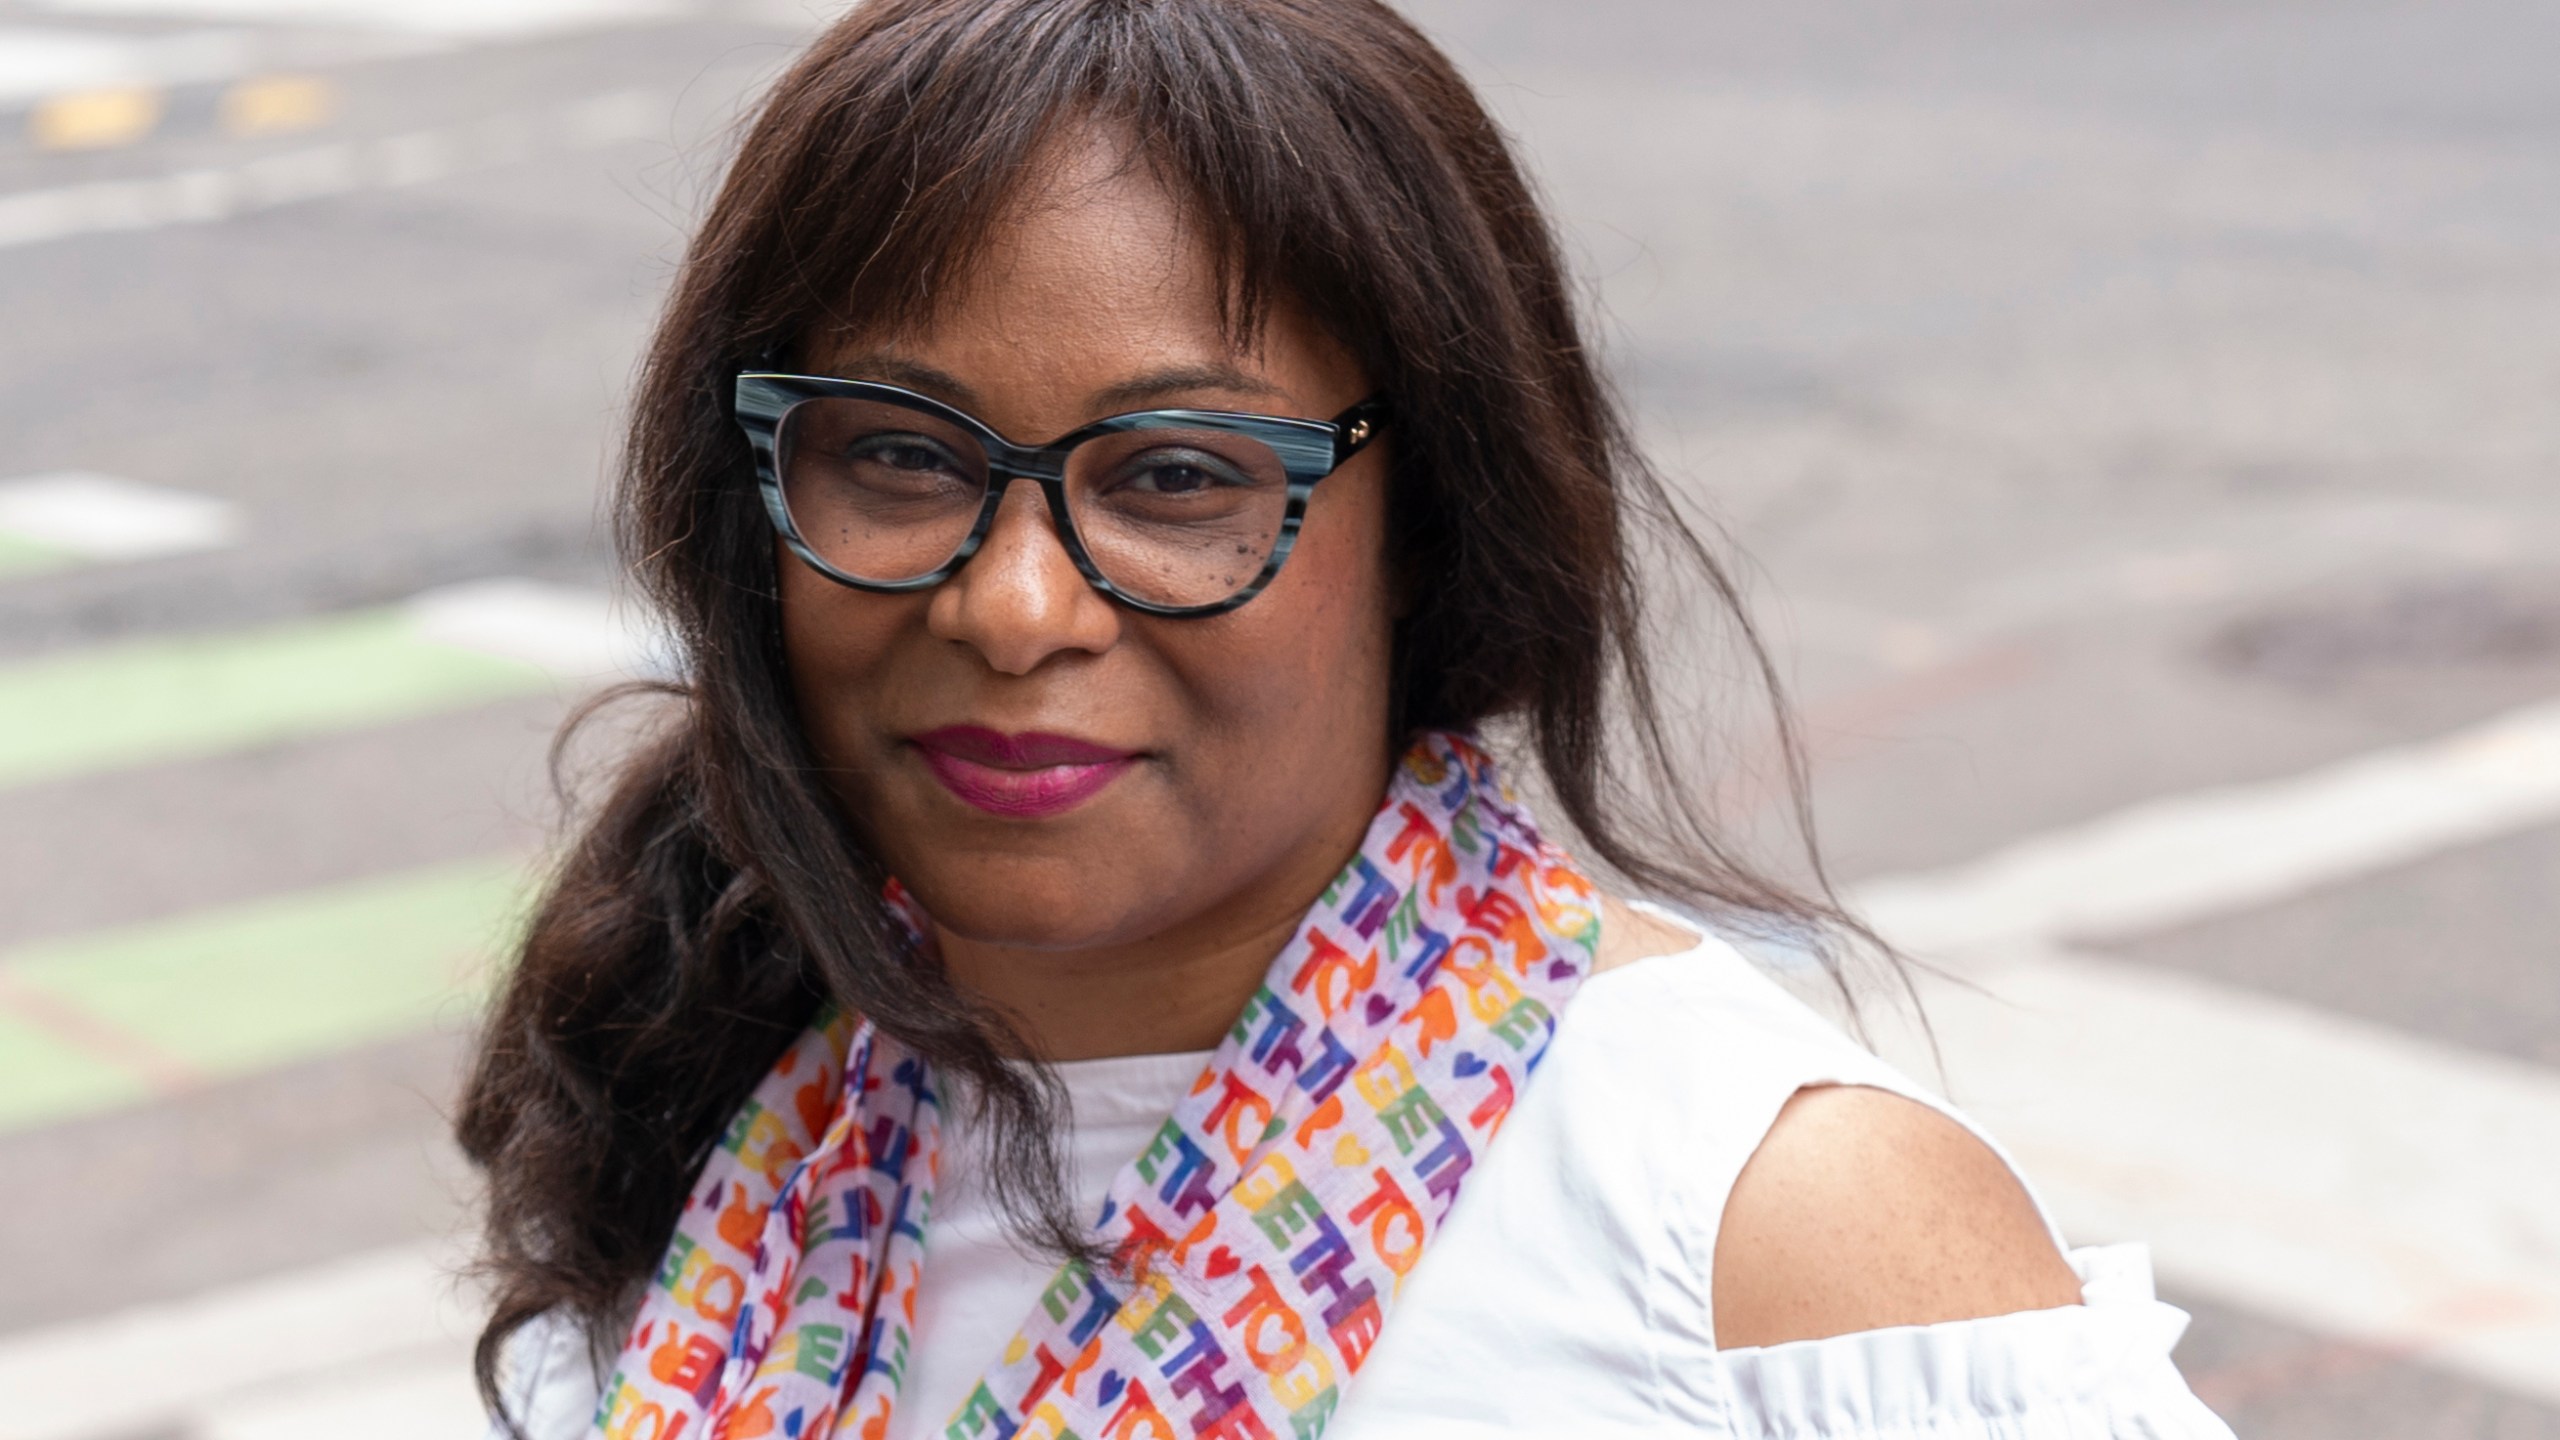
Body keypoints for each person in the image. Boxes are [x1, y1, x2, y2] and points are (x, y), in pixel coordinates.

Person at [462, 1, 2236, 1435]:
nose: (1010, 607)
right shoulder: (725, 1125)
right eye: (902, 457)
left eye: (1173, 479)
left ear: (1431, 530)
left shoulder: (1768, 1243)